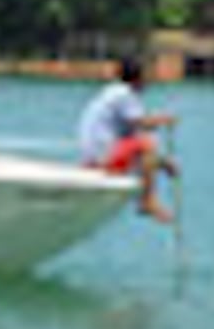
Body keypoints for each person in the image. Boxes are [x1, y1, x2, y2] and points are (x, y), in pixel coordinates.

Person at [76, 54, 178, 223]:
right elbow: (143, 124)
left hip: (95, 155)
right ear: (138, 79)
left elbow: (136, 147)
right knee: (147, 142)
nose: (149, 82)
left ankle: (145, 199)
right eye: (147, 77)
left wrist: (163, 164)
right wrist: (164, 119)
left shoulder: (113, 91)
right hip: (103, 155)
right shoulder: (125, 94)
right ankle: (147, 201)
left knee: (143, 145)